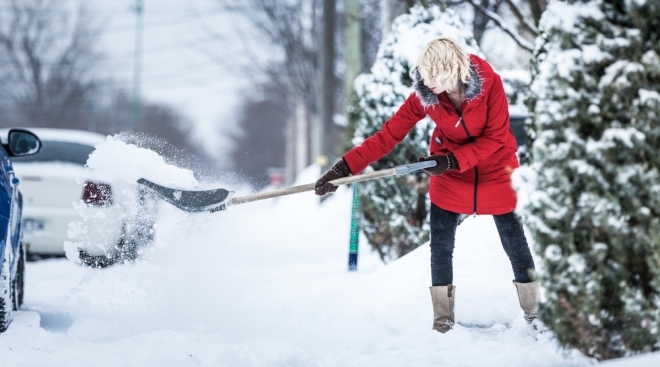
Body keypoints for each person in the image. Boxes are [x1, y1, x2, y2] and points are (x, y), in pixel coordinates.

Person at [314, 36, 541, 334]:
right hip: (449, 170)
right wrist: (343, 169)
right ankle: (443, 323)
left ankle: (535, 315)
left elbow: (496, 137)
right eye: (424, 72)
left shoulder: (490, 84)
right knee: (441, 246)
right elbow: (388, 135)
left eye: (435, 73)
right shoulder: (426, 95)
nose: (427, 80)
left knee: (515, 243)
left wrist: (451, 161)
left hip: (495, 166)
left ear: (454, 69)